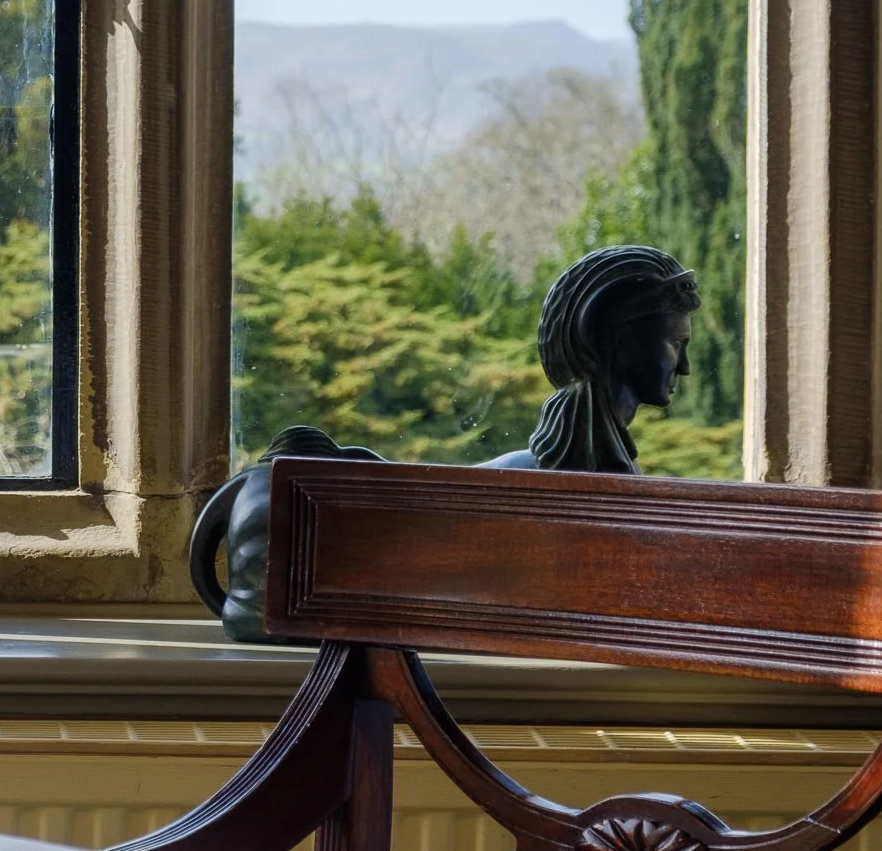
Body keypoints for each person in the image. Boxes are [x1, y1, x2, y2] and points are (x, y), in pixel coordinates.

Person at [193, 245, 701, 640]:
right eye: (674, 343)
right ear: (616, 338)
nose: (684, 366)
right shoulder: (572, 477)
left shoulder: (584, 466)